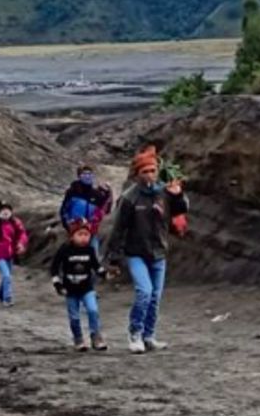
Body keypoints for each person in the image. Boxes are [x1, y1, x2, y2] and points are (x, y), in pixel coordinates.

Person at [105, 145, 190, 354]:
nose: (150, 175)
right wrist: (113, 259)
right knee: (144, 292)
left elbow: (181, 209)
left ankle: (149, 336)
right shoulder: (129, 198)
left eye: (153, 170)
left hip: (159, 252)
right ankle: (134, 334)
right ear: (137, 174)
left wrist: (178, 195)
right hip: (136, 253)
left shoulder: (164, 192)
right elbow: (118, 229)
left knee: (155, 297)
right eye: (145, 171)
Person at [50, 219, 107, 351]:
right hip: (70, 290)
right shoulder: (65, 250)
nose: (83, 238)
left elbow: (96, 266)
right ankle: (78, 339)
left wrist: (104, 273)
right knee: (74, 316)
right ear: (72, 236)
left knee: (93, 310)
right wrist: (57, 284)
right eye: (80, 234)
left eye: (86, 235)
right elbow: (54, 267)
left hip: (87, 288)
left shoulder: (90, 250)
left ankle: (96, 336)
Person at [60, 164, 113, 258]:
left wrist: (108, 194)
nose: (87, 177)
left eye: (90, 174)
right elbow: (64, 210)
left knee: (94, 255)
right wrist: (68, 226)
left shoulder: (96, 194)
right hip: (74, 230)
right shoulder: (72, 191)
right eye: (84, 174)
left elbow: (105, 210)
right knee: (70, 255)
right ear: (79, 176)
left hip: (91, 231)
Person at [0, 201, 28, 307]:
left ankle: (1, 293)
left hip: (11, 254)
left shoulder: (15, 222)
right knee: (7, 276)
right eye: (2, 210)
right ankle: (7, 298)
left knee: (6, 276)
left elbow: (22, 234)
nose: (5, 212)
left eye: (7, 209)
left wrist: (21, 243)